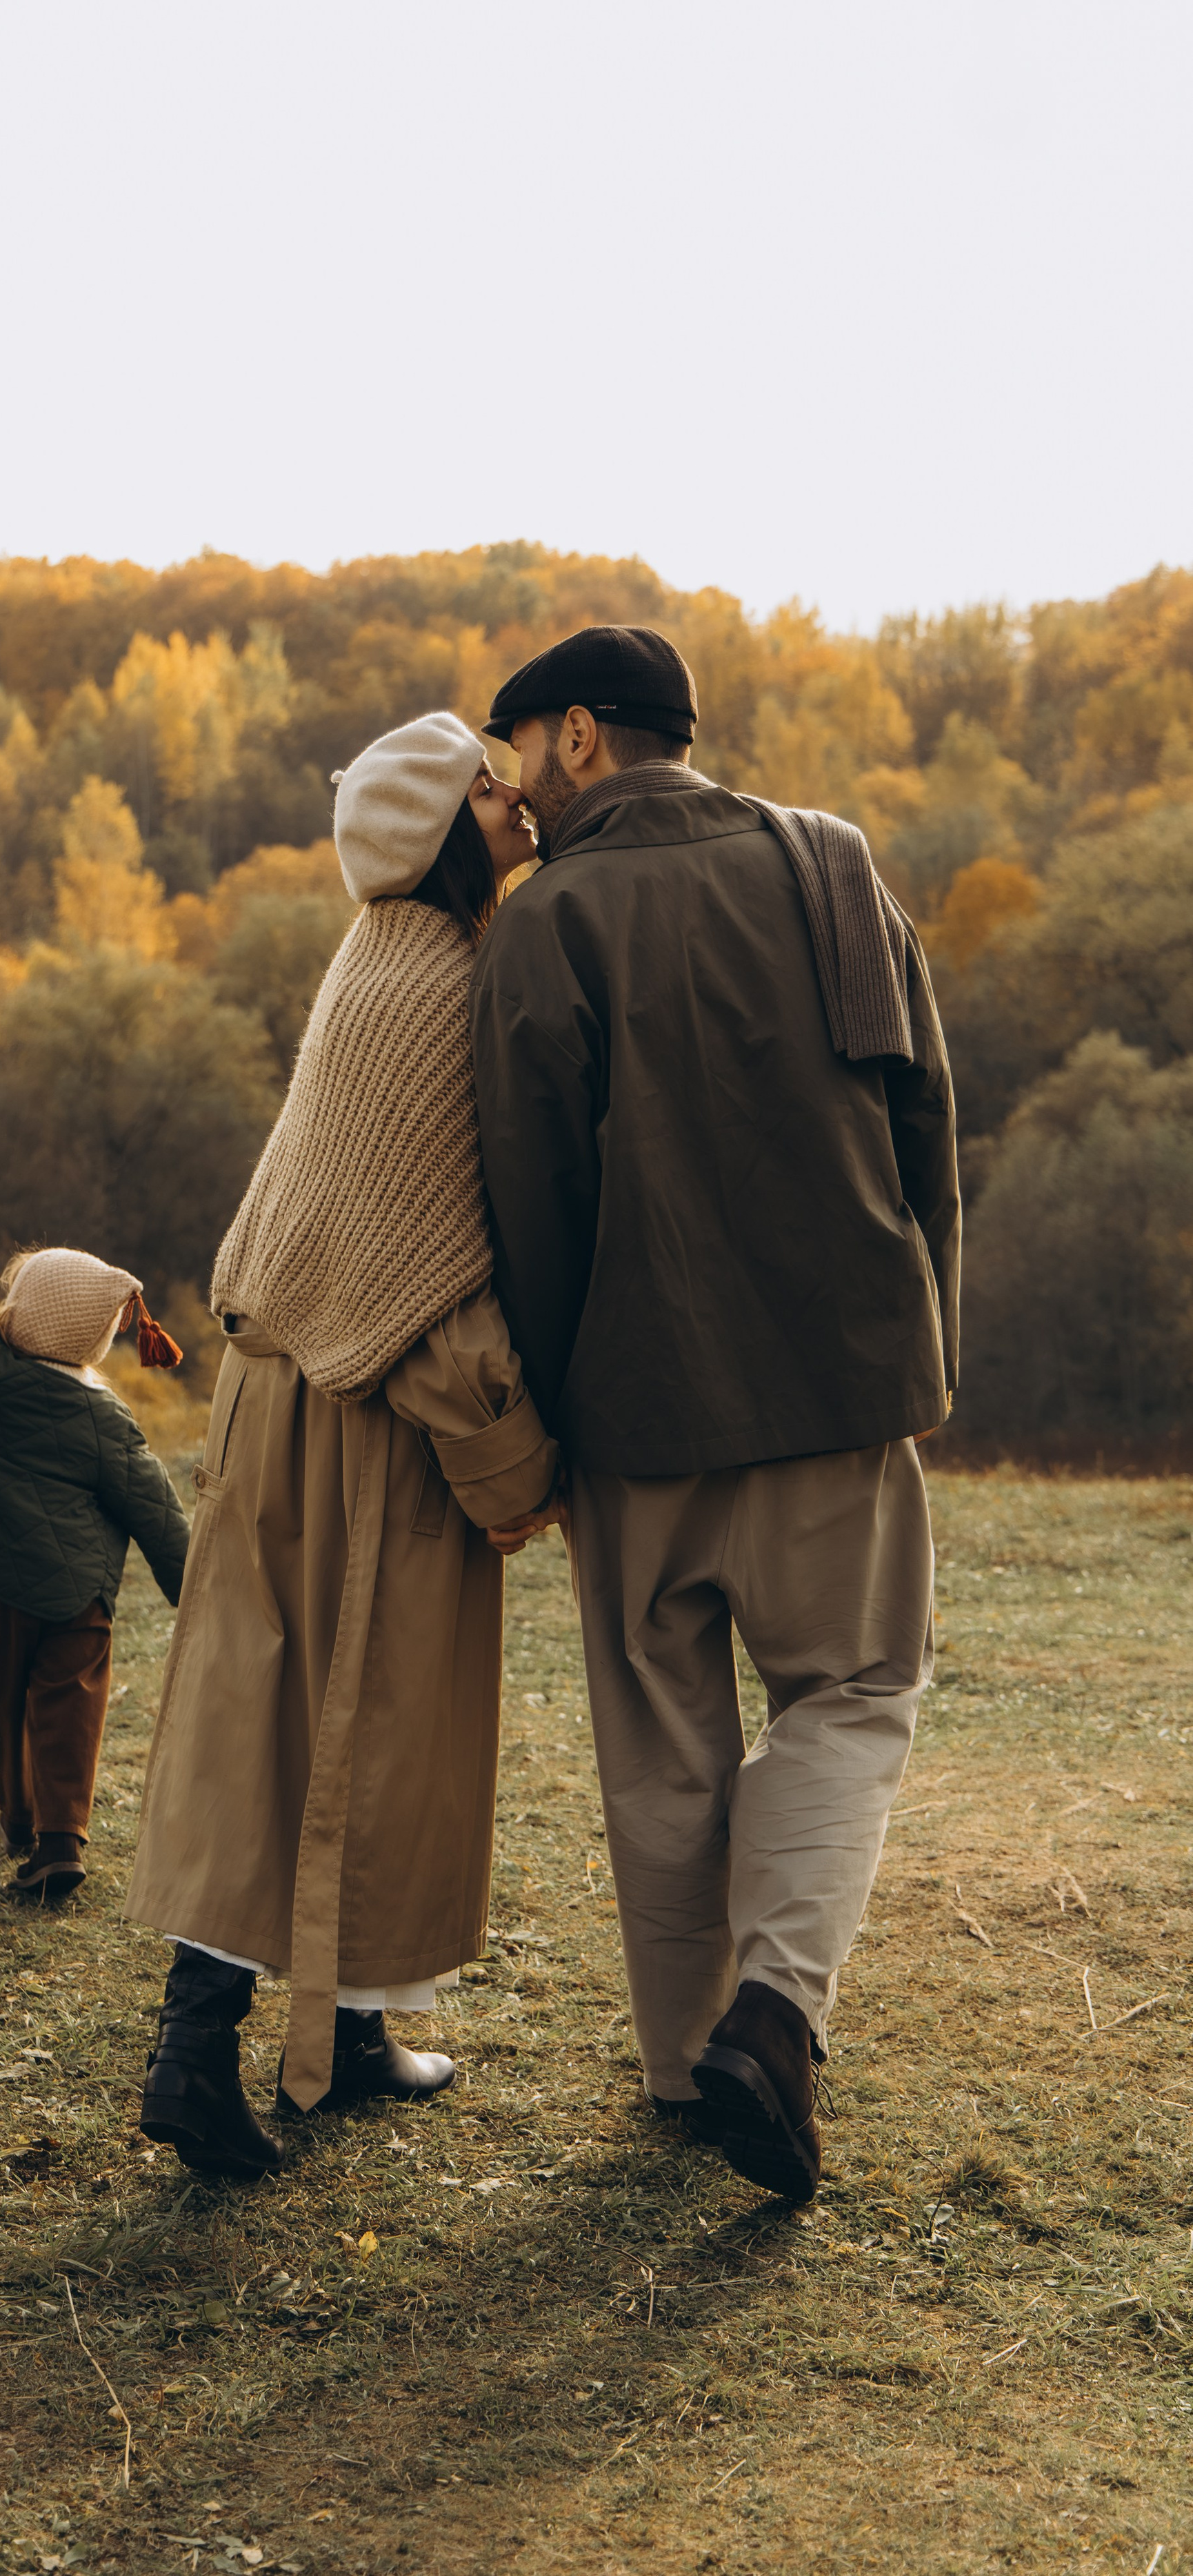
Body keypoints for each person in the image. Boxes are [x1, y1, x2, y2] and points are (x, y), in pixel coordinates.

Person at [469, 625, 960, 2204]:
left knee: (660, 1745)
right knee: (851, 1685)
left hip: (634, 1404)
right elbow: (920, 1118)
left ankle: (695, 2065)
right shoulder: (828, 860)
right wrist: (913, 1336)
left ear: (585, 741)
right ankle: (774, 2016)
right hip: (834, 1380)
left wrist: (544, 1416)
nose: (513, 784)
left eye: (522, 747)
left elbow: (528, 1200)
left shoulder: (548, 925)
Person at [126, 711, 561, 2180]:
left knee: (298, 1719)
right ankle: (197, 2052)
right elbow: (422, 1278)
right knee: (329, 1731)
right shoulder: (436, 981)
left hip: (285, 1402)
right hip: (364, 1417)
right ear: (436, 827)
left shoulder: (373, 957)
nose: (513, 804)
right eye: (487, 792)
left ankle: (352, 2031)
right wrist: (512, 1473)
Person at [0, 1245, 192, 1901]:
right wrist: (197, 1593)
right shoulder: (104, 1416)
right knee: (71, 1703)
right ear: (97, 1338)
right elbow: (155, 1509)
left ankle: (18, 1819)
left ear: (16, 1310)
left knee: (2, 1698)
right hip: (79, 1593)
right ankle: (60, 1841)